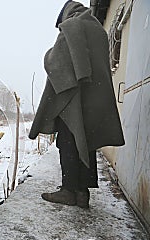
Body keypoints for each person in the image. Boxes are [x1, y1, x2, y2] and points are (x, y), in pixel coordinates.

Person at [28, 1, 125, 209]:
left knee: (67, 141)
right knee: (86, 141)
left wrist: (47, 54)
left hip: (74, 98)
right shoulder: (98, 30)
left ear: (65, 15)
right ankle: (83, 192)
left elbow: (56, 63)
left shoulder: (72, 27)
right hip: (95, 98)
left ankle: (68, 191)